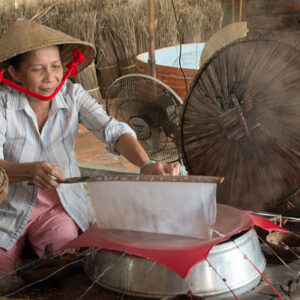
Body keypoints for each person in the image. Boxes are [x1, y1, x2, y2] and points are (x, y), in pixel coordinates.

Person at [0, 19, 181, 278]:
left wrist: (147, 164)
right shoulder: (3, 103)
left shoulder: (72, 95)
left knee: (66, 269)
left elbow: (114, 130)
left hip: (58, 210)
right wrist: (29, 171)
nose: (50, 78)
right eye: (38, 69)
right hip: (7, 210)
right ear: (14, 73)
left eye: (55, 66)